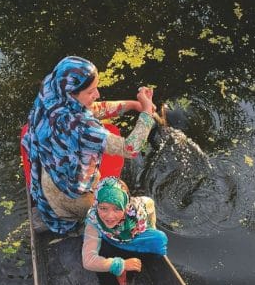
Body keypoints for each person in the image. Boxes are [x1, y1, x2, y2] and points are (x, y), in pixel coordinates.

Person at [21, 56, 158, 235]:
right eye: (91, 91)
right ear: (72, 94)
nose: (98, 94)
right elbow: (130, 148)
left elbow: (94, 108)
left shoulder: (52, 92)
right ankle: (130, 236)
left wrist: (132, 105)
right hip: (73, 199)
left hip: (50, 182)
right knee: (146, 206)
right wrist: (147, 112)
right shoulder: (80, 126)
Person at [81, 177, 168, 285]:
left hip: (127, 238)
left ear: (126, 205)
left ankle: (121, 269)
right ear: (97, 204)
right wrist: (121, 264)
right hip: (108, 241)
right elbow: (88, 261)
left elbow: (151, 207)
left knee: (159, 240)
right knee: (102, 253)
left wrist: (149, 229)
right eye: (103, 208)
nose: (110, 216)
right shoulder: (94, 221)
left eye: (117, 208)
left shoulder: (139, 208)